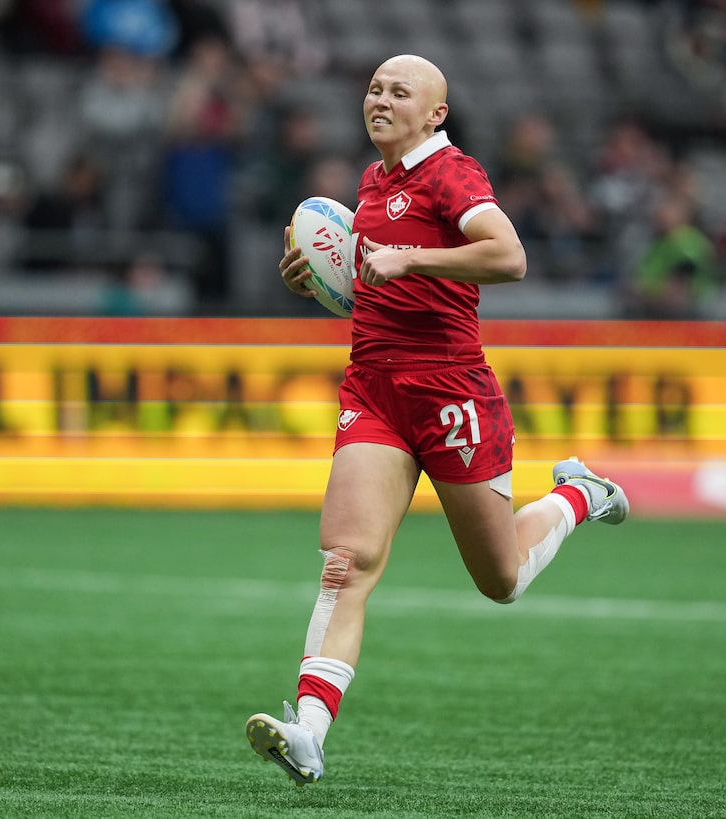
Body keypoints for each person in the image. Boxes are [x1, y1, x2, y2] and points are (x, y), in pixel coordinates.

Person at [245, 54, 630, 787]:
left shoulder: (454, 173)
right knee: (345, 562)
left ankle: (579, 494)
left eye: (400, 92)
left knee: (501, 580)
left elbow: (509, 255)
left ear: (436, 115)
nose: (380, 99)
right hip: (376, 391)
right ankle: (309, 729)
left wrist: (410, 259)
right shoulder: (372, 180)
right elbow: (375, 281)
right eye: (374, 89)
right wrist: (323, 279)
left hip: (452, 395)